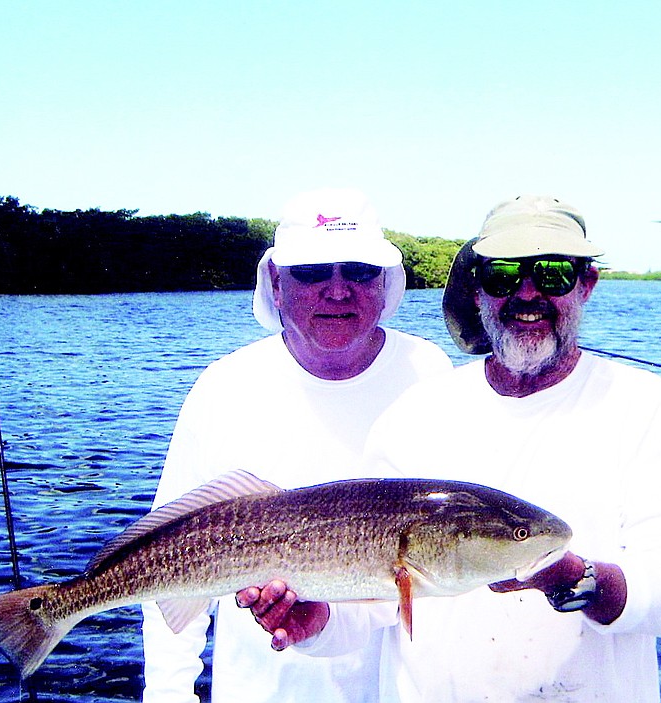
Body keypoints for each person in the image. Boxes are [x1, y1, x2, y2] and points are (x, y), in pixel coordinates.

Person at [254, 195, 661, 702]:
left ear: (587, 285)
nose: (528, 293)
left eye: (553, 274)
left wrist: (574, 579)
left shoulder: (644, 407)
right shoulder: (415, 413)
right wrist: (315, 622)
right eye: (504, 275)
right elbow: (380, 600)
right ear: (476, 290)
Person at [140, 188, 453, 703]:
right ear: (276, 284)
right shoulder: (224, 387)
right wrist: (168, 694)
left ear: (385, 283)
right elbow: (167, 568)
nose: (337, 291)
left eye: (358, 270)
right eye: (310, 272)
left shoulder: (431, 375)